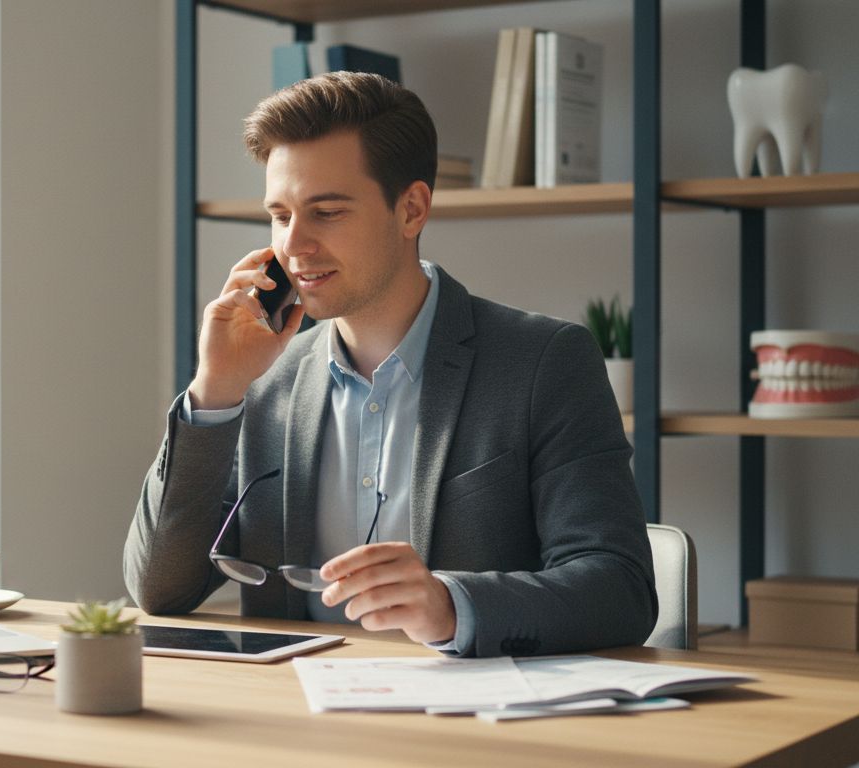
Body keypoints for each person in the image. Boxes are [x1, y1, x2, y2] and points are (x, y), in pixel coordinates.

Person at [123, 72, 656, 657]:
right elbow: (159, 588)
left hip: (470, 724)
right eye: (280, 215)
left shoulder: (544, 362)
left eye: (326, 212)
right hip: (295, 719)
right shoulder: (261, 379)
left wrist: (451, 605)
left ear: (411, 209)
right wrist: (214, 391)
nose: (293, 247)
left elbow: (620, 588)